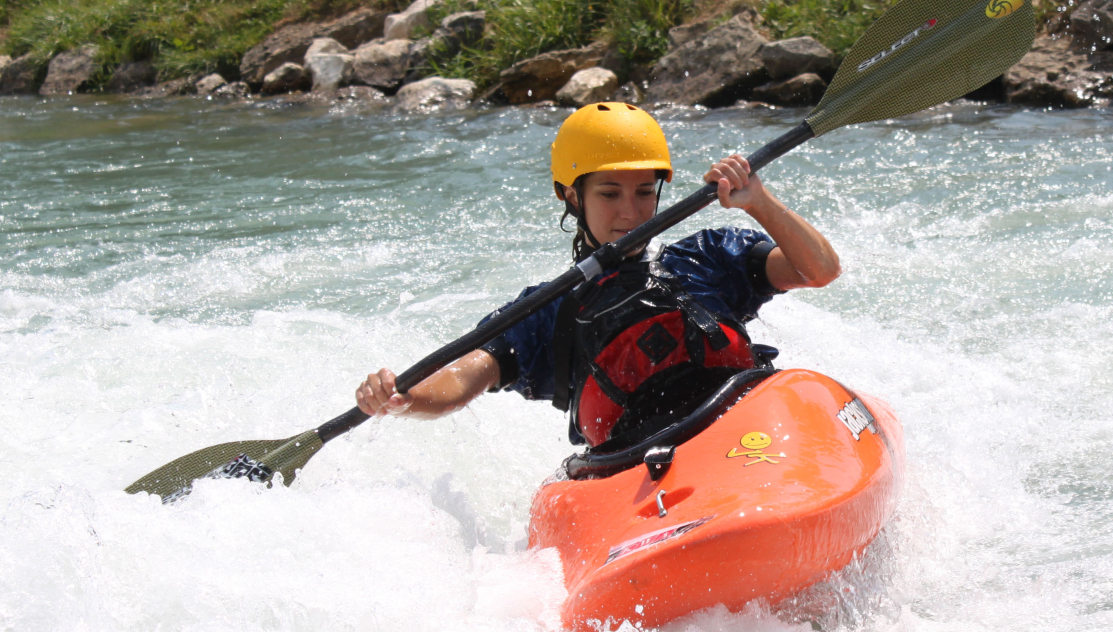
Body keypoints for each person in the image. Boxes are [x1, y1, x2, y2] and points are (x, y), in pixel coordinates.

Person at [356, 102, 841, 450]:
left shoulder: (706, 259)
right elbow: (462, 378)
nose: (630, 212)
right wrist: (403, 396)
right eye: (610, 194)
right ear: (571, 196)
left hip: (751, 440)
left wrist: (759, 201)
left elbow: (820, 269)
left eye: (644, 192)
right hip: (642, 473)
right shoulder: (548, 311)